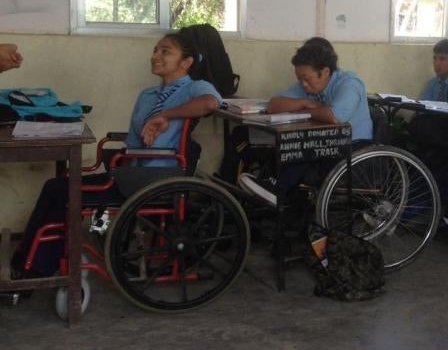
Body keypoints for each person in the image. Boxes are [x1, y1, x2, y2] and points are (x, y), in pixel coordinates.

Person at [13, 34, 221, 277]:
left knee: (58, 189)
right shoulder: (147, 96)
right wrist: (119, 170)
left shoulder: (194, 87)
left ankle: (34, 268)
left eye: (165, 51)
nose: (155, 56)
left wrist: (168, 115)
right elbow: (133, 141)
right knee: (59, 187)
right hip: (134, 171)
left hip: (158, 177)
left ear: (186, 62)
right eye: (155, 50)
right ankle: (33, 262)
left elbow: (211, 104)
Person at [238, 41, 372, 207]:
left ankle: (277, 190)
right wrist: (304, 103)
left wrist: (304, 111)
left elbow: (334, 116)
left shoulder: (349, 83)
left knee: (303, 147)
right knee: (286, 144)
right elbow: (274, 105)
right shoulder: (308, 86)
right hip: (327, 141)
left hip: (354, 148)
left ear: (325, 72)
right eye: (300, 79)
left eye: (306, 79)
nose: (303, 84)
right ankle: (274, 190)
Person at [419, 38, 448, 102]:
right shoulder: (432, 83)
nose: (436, 63)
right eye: (435, 58)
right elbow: (423, 106)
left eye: (442, 59)